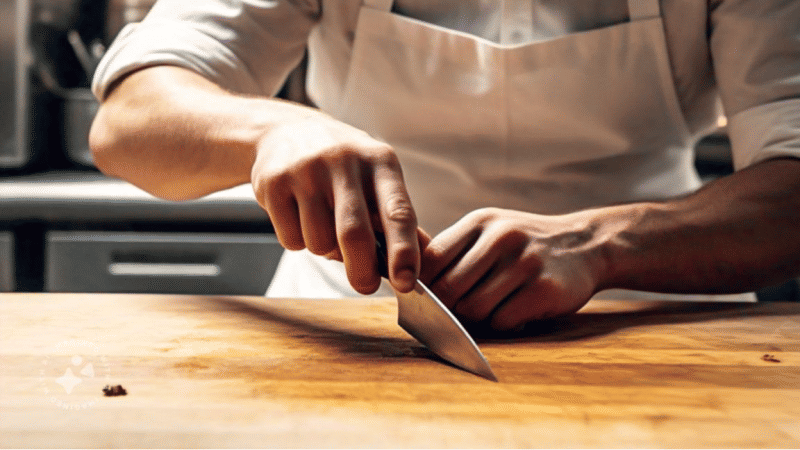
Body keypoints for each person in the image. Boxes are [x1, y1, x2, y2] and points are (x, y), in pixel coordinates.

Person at [90, 0, 800, 331]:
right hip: (351, 321)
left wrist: (601, 244)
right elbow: (128, 121)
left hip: (653, 316)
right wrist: (269, 128)